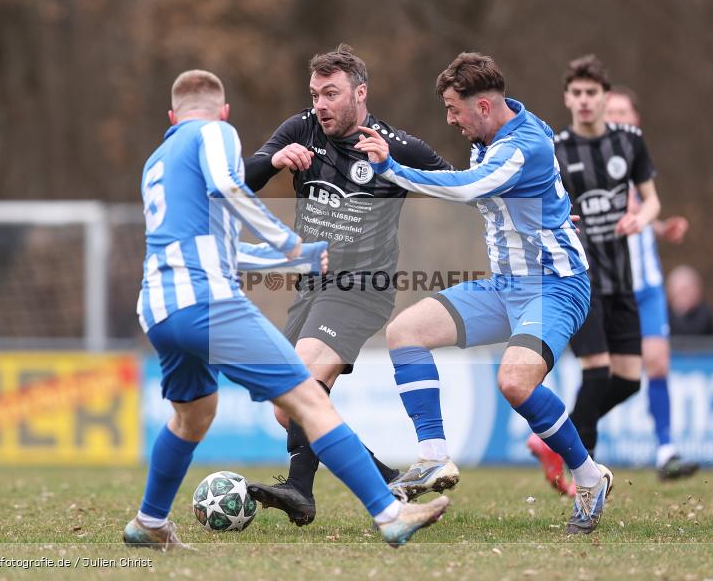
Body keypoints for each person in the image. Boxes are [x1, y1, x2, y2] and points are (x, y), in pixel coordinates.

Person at [122, 69, 449, 550]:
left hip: (157, 306)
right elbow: (232, 190)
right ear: (224, 112)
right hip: (207, 301)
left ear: (172, 116)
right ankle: (390, 512)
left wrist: (287, 255)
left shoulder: (157, 161)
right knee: (307, 399)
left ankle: (148, 523)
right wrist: (287, 240)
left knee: (192, 415)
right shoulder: (215, 132)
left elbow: (221, 248)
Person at [355, 52, 613, 535]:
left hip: (555, 288)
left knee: (515, 383)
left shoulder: (522, 145)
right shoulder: (492, 133)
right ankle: (432, 457)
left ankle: (589, 477)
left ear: (485, 107)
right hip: (504, 287)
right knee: (405, 332)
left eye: (454, 109)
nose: (449, 119)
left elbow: (471, 188)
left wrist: (391, 168)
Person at [242, 44, 452, 526]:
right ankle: (386, 480)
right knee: (288, 409)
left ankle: (300, 490)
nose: (320, 104)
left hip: (363, 287)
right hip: (311, 288)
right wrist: (274, 162)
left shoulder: (394, 144)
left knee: (302, 379)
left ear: (360, 93)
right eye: (315, 94)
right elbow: (239, 182)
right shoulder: (300, 130)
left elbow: (460, 188)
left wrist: (396, 171)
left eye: (331, 94)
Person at [527, 55, 660, 496]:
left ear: (606, 97)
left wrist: (642, 220)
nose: (584, 101)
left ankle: (551, 438)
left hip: (621, 276)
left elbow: (652, 200)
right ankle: (586, 479)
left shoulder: (630, 142)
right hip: (578, 277)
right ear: (567, 98)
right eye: (577, 93)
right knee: (598, 373)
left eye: (592, 93)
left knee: (628, 379)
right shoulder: (557, 151)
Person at [605, 86, 699, 480]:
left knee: (658, 363)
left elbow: (641, 213)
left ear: (637, 119)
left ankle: (665, 451)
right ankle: (560, 441)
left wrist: (661, 228)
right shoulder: (590, 161)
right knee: (613, 375)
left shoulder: (639, 161)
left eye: (625, 112)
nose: (619, 119)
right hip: (611, 288)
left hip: (649, 286)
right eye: (612, 113)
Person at [667, 264, 713, 336]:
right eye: (680, 291)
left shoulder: (705, 313)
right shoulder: (663, 313)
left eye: (686, 290)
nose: (683, 295)